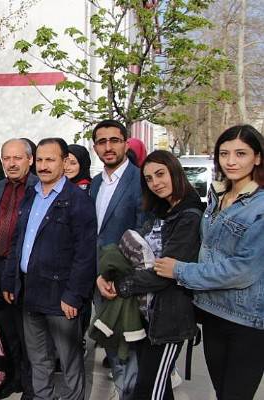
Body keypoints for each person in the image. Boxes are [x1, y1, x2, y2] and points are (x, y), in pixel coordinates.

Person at [154, 125, 264, 400]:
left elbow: (244, 270)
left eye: (241, 153)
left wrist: (180, 270)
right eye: (224, 153)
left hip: (246, 321)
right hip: (211, 313)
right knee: (221, 392)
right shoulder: (218, 197)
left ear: (258, 158)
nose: (231, 161)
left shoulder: (259, 207)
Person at [96, 150, 203, 400]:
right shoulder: (160, 211)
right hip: (148, 315)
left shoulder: (189, 215)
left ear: (174, 172)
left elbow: (164, 274)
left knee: (148, 391)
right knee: (158, 388)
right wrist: (107, 275)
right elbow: (133, 254)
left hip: (169, 320)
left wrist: (121, 285)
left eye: (160, 174)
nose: (156, 183)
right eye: (149, 179)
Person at [3, 138, 97, 400]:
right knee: (39, 361)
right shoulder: (31, 194)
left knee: (69, 363)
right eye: (40, 160)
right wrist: (11, 280)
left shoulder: (77, 201)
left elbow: (86, 254)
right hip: (30, 293)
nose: (44, 166)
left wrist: (74, 295)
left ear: (65, 162)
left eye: (50, 160)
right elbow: (18, 241)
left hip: (61, 298)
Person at [91, 119, 145, 400]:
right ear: (95, 147)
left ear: (125, 142)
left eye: (114, 140)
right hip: (99, 281)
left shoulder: (140, 180)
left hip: (124, 284)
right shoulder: (97, 183)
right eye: (102, 142)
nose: (108, 147)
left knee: (128, 356)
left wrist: (118, 277)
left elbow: (142, 234)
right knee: (113, 352)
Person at [0, 138, 36, 398]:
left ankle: (30, 384)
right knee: (3, 329)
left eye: (17, 158)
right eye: (7, 158)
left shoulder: (38, 188)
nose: (11, 164)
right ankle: (10, 378)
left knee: (28, 333)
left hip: (25, 271)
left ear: (29, 160)